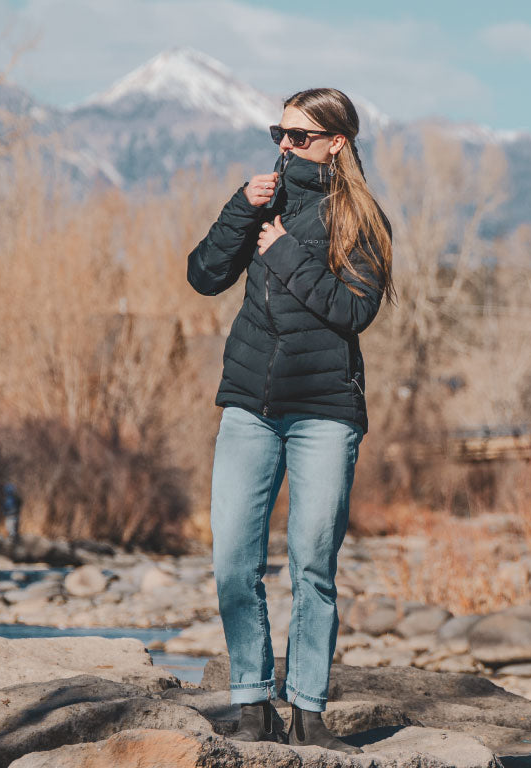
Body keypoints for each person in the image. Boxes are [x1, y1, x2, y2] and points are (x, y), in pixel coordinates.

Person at [186, 87, 393, 750]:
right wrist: (237, 213)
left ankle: (308, 710)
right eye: (279, 132)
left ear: (336, 142)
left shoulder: (360, 218)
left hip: (325, 414)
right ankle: (252, 704)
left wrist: (282, 254)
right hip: (249, 407)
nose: (284, 145)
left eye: (299, 136)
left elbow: (354, 311)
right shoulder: (262, 199)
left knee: (311, 563)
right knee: (233, 561)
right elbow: (202, 275)